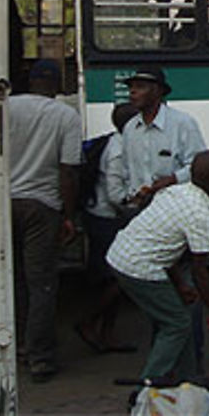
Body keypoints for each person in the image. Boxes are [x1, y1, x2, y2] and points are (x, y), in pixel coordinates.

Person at [0, 59, 81, 383]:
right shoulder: (66, 116)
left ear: (28, 81)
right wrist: (68, 217)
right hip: (42, 208)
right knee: (41, 282)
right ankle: (40, 357)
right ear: (58, 85)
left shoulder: (3, 107)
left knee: (11, 279)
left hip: (4, 205)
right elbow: (68, 171)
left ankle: (15, 347)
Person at [106, 150, 209, 387]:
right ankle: (147, 387)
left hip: (120, 254)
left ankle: (188, 379)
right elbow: (199, 271)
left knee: (178, 312)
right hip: (139, 268)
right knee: (177, 324)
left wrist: (181, 286)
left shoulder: (174, 192)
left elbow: (167, 249)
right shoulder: (201, 214)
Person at [75, 102, 139, 354]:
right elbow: (115, 195)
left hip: (102, 216)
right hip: (106, 220)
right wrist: (136, 209)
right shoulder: (118, 151)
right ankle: (89, 322)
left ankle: (106, 334)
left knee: (110, 279)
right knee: (120, 278)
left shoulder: (118, 142)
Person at [114, 66, 206, 209]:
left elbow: (197, 167)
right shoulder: (130, 129)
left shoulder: (183, 123)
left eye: (140, 87)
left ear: (157, 91)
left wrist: (172, 179)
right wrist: (131, 196)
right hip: (140, 210)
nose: (132, 92)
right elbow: (126, 171)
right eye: (131, 88)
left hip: (174, 206)